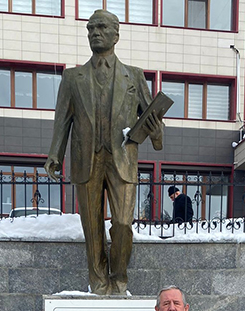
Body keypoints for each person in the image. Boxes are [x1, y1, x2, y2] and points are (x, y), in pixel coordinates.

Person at [44, 10, 163, 295]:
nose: (95, 32)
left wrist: (156, 132)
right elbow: (63, 119)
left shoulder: (133, 76)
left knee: (122, 223)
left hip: (122, 158)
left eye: (101, 27)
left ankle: (119, 277)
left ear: (115, 35)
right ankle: (98, 281)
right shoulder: (73, 77)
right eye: (90, 28)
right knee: (92, 227)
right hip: (87, 160)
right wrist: (54, 155)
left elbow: (151, 117)